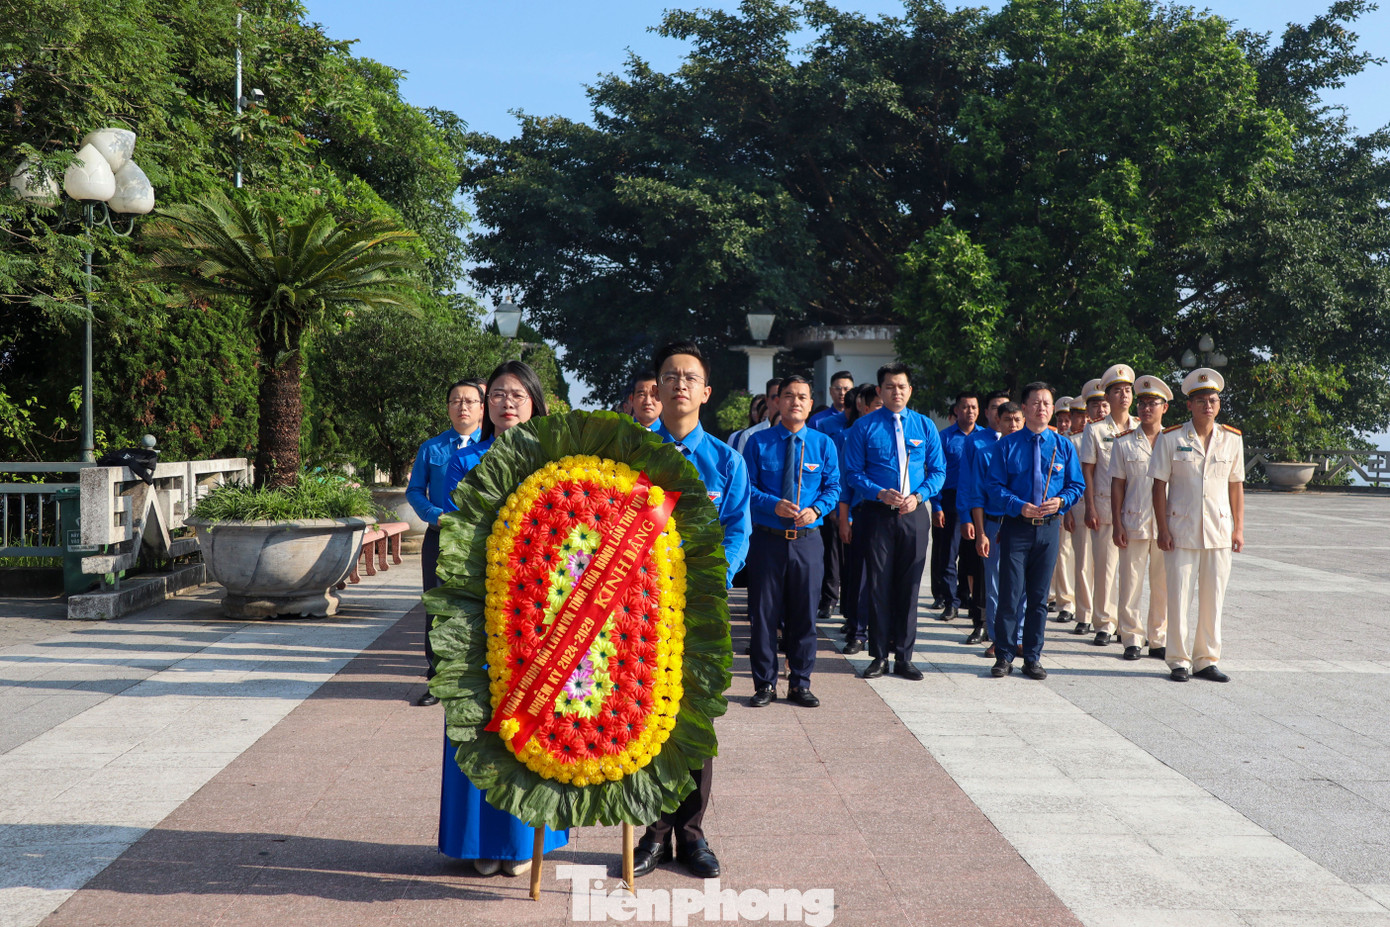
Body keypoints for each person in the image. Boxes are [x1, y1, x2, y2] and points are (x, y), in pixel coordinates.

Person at [435, 361, 568, 877]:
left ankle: (522, 842)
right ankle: (479, 842)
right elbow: (457, 536)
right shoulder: (463, 462)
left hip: (540, 612)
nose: (506, 403)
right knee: (478, 719)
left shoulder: (556, 463)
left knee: (533, 723)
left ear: (535, 403)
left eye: (517, 395)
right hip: (481, 610)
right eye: (497, 395)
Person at [633, 340, 752, 880]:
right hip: (642, 609)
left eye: (690, 377)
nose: (679, 384)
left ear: (706, 392)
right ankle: (654, 832)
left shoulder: (726, 461)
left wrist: (711, 581)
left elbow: (738, 531)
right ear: (656, 389)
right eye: (670, 375)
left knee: (694, 715)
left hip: (700, 609)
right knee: (644, 714)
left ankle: (692, 832)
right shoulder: (633, 454)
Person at [843, 363, 946, 681]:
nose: (896, 392)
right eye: (889, 387)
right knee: (878, 585)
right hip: (876, 515)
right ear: (879, 390)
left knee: (910, 585)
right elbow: (852, 473)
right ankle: (878, 656)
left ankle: (904, 657)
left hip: (913, 514)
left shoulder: (925, 426)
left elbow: (938, 471)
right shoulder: (863, 427)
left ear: (910, 390)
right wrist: (878, 492)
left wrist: (919, 495)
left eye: (902, 386)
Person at [743, 375, 840, 708]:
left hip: (807, 541)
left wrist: (817, 509)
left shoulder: (823, 444)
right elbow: (747, 489)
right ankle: (765, 684)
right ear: (777, 401)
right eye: (788, 396)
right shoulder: (758, 443)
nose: (795, 402)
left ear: (810, 404)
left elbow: (833, 487)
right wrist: (773, 504)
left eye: (802, 397)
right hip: (768, 541)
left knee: (804, 615)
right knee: (763, 615)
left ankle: (800, 683)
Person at [1151, 367, 1245, 683]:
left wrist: (1238, 528)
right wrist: (1162, 528)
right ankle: (1178, 660)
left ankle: (1206, 660)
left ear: (1219, 404)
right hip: (1180, 530)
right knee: (1178, 597)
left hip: (1218, 530)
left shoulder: (1231, 439)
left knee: (1213, 597)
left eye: (1213, 400)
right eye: (1201, 400)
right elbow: (1158, 485)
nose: (1208, 405)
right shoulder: (1171, 437)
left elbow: (1236, 486)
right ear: (1189, 404)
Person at [986, 382, 1085, 680]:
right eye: (1036, 402)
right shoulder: (1007, 445)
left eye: (1047, 403)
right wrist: (1018, 506)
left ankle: (1032, 656)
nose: (1042, 408)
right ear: (1025, 407)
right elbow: (994, 487)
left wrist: (1061, 501)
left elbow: (1076, 485)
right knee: (1010, 594)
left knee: (1039, 598)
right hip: (1016, 527)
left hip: (1049, 530)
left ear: (1052, 409)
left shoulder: (1063, 446)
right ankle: (1004, 655)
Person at [406, 377, 486, 707]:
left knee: (481, 607)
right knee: (439, 609)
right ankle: (437, 679)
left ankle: (478, 678)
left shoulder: (493, 447)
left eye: (469, 401)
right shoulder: (432, 448)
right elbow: (414, 490)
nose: (462, 406)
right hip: (441, 538)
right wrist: (434, 514)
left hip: (481, 540)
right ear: (448, 408)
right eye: (456, 401)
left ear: (482, 408)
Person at [1109, 375, 1172, 661]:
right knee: (1130, 583)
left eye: (1153, 403)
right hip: (1133, 521)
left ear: (1164, 408)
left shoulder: (1174, 441)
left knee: (1162, 585)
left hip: (1166, 525)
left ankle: (1158, 639)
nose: (1146, 409)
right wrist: (1117, 523)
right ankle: (1132, 638)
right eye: (1143, 403)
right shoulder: (1124, 442)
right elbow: (1117, 485)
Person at [1081, 364, 1140, 646]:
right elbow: (1088, 471)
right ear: (1108, 397)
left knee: (1132, 573)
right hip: (1104, 508)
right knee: (1105, 569)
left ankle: (1127, 625)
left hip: (1136, 509)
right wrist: (1089, 506)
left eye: (1128, 390)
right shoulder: (1095, 430)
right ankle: (1104, 623)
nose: (1124, 395)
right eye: (1117, 391)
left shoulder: (1141, 427)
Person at [964, 400, 1025, 656]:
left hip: (1022, 525)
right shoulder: (985, 453)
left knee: (1022, 585)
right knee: (994, 585)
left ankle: (1018, 637)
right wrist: (981, 533)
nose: (1013, 425)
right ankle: (997, 638)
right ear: (997, 421)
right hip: (994, 524)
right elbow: (976, 497)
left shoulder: (1030, 452)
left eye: (1017, 420)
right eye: (1007, 420)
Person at [956, 390, 1010, 644]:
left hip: (1013, 520)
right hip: (984, 518)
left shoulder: (1019, 440)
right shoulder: (976, 442)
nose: (1001, 414)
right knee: (981, 572)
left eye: (1005, 408)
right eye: (996, 408)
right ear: (986, 413)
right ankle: (981, 624)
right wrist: (965, 517)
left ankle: (1008, 630)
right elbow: (966, 482)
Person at [931, 392, 982, 622]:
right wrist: (936, 505)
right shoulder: (945, 437)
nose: (970, 411)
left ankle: (969, 599)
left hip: (977, 500)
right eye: (965, 407)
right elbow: (936, 472)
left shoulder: (985, 437)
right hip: (951, 499)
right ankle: (950, 602)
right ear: (956, 410)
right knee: (949, 554)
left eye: (974, 407)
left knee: (974, 555)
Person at [839, 384, 881, 652]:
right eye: (877, 405)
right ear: (864, 408)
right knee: (860, 576)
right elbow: (844, 483)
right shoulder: (852, 434)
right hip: (862, 513)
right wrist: (844, 519)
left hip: (892, 515)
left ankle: (883, 632)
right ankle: (857, 631)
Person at [810, 370, 854, 620]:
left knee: (850, 555)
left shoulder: (859, 421)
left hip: (853, 496)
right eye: (838, 388)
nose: (842, 393)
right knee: (830, 553)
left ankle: (849, 602)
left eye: (846, 388)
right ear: (830, 391)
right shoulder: (820, 422)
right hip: (828, 498)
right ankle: (828, 599)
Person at [1065, 382, 1106, 635]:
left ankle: (1109, 617)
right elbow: (1068, 479)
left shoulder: (1122, 434)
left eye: (1104, 405)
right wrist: (1068, 511)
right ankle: (1084, 614)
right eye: (1095, 405)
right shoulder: (1074, 440)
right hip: (1082, 507)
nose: (1101, 410)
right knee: (1082, 563)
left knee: (1108, 568)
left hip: (1111, 508)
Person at [1049, 396, 1077, 625]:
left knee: (1068, 554)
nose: (1064, 424)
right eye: (1061, 420)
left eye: (1069, 419)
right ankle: (1056, 596)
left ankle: (1067, 601)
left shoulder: (1076, 441)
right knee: (1059, 553)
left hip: (1074, 505)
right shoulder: (1053, 441)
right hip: (1055, 508)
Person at [732, 378, 782, 454]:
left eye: (784, 397)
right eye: (775, 398)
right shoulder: (749, 435)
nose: (779, 402)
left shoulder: (796, 435)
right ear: (767, 400)